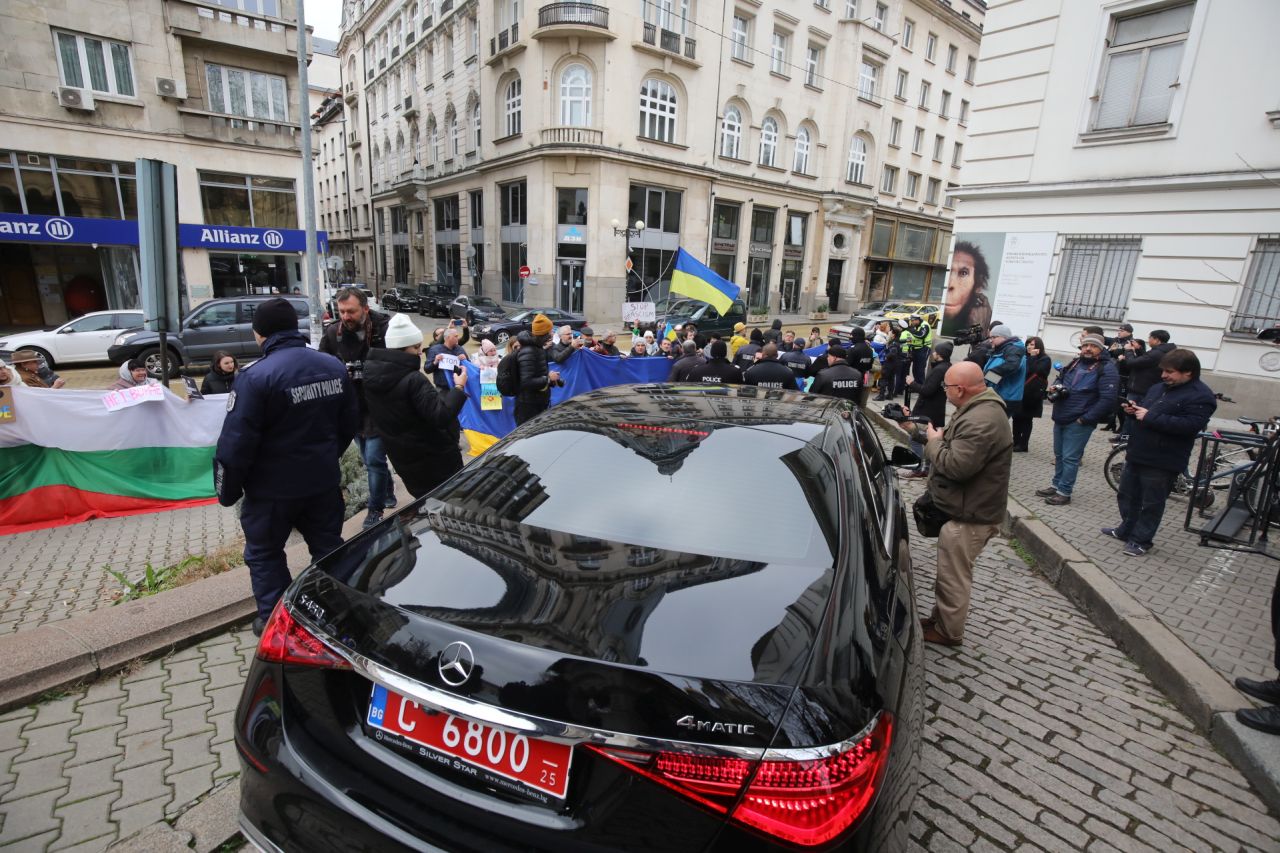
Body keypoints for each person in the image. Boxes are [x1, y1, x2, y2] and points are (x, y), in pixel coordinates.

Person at [213, 298, 359, 635]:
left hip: (271, 492)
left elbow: (235, 443)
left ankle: (279, 625)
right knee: (328, 549)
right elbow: (349, 423)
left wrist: (227, 490)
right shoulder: (332, 366)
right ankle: (336, 612)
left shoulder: (255, 378)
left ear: (259, 334)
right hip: (321, 484)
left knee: (265, 555)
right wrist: (325, 457)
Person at [897, 361, 1013, 645]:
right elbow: (950, 443)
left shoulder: (982, 419)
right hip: (965, 508)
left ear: (959, 389)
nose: (944, 391)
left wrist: (934, 442)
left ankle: (949, 633)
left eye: (946, 387)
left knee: (953, 578)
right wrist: (914, 429)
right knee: (948, 573)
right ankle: (940, 619)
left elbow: (956, 465)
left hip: (971, 515)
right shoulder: (977, 409)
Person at [1101, 349, 1216, 557]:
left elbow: (1190, 426)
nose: (1164, 375)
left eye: (1169, 372)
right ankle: (1126, 529)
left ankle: (1141, 540)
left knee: (1151, 503)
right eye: (1163, 371)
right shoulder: (1158, 388)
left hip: (1163, 459)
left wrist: (1149, 416)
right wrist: (1135, 411)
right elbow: (1146, 412)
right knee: (1126, 494)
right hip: (1138, 451)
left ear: (1188, 372)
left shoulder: (1202, 396)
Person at [363, 314, 470, 499]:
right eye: (416, 347)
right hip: (435, 462)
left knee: (425, 505)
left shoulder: (370, 377)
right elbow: (441, 415)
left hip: (404, 461)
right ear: (401, 348)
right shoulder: (413, 379)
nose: (420, 352)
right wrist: (459, 387)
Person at [318, 286, 395, 528]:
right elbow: (321, 363)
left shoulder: (384, 329)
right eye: (342, 311)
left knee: (373, 458)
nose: (346, 316)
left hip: (380, 406)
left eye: (351, 311)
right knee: (369, 457)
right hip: (351, 408)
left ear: (365, 308)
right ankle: (388, 492)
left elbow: (402, 361)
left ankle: (376, 509)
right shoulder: (333, 333)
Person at [1037, 334, 1119, 506]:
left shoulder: (1107, 368)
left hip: (1079, 421)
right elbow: (1061, 378)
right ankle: (1056, 485)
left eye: (1093, 346)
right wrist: (1056, 386)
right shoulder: (1074, 362)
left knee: (1070, 458)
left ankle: (1064, 492)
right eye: (1085, 345)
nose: (1088, 348)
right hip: (1061, 415)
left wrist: (1086, 419)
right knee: (1059, 455)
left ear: (1101, 349)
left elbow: (1108, 399)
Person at [902, 341, 954, 477]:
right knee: (928, 440)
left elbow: (927, 391)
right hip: (936, 411)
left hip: (927, 412)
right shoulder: (947, 367)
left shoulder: (939, 370)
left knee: (915, 438)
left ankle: (919, 468)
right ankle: (926, 467)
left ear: (940, 354)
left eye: (936, 352)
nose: (933, 353)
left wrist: (911, 383)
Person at [1115, 330, 1174, 440]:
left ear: (1156, 339)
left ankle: (1125, 437)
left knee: (1132, 413)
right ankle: (1127, 436)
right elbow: (1146, 361)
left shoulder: (1157, 353)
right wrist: (1139, 349)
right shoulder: (1162, 351)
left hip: (1141, 388)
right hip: (1147, 386)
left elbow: (1132, 363)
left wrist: (1128, 351)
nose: (1148, 340)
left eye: (1150, 338)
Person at [514, 314, 560, 424]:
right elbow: (526, 382)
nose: (552, 333)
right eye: (550, 331)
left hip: (538, 403)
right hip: (528, 407)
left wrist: (550, 381)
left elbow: (536, 374)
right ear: (544, 334)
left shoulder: (538, 348)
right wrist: (547, 378)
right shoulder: (529, 351)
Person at [942, 241, 993, 336]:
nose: (950, 284)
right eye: (948, 272)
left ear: (977, 284)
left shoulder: (981, 311)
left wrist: (981, 324)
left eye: (963, 273)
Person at [1012, 336, 1051, 452]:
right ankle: (1016, 441)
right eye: (1028, 344)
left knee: (1026, 419)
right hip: (1020, 392)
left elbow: (1032, 371)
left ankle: (1023, 444)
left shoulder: (1045, 359)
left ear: (1039, 346)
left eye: (1032, 344)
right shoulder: (1024, 357)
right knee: (1016, 418)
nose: (1029, 346)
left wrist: (1033, 357)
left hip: (1032, 394)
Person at [982, 324, 1027, 420]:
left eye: (993, 337)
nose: (990, 340)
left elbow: (1011, 367)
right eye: (990, 337)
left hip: (1006, 398)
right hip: (999, 395)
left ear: (1004, 337)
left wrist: (988, 375)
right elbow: (1001, 375)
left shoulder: (1013, 349)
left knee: (993, 427)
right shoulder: (1003, 349)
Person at [903, 315, 934, 384]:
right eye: (911, 321)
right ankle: (916, 385)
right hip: (915, 348)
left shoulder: (924, 325)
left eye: (913, 321)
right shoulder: (914, 325)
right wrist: (909, 345)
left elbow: (921, 335)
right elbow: (909, 336)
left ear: (918, 320)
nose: (912, 322)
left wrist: (911, 330)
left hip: (924, 348)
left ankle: (921, 385)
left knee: (920, 368)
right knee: (915, 368)